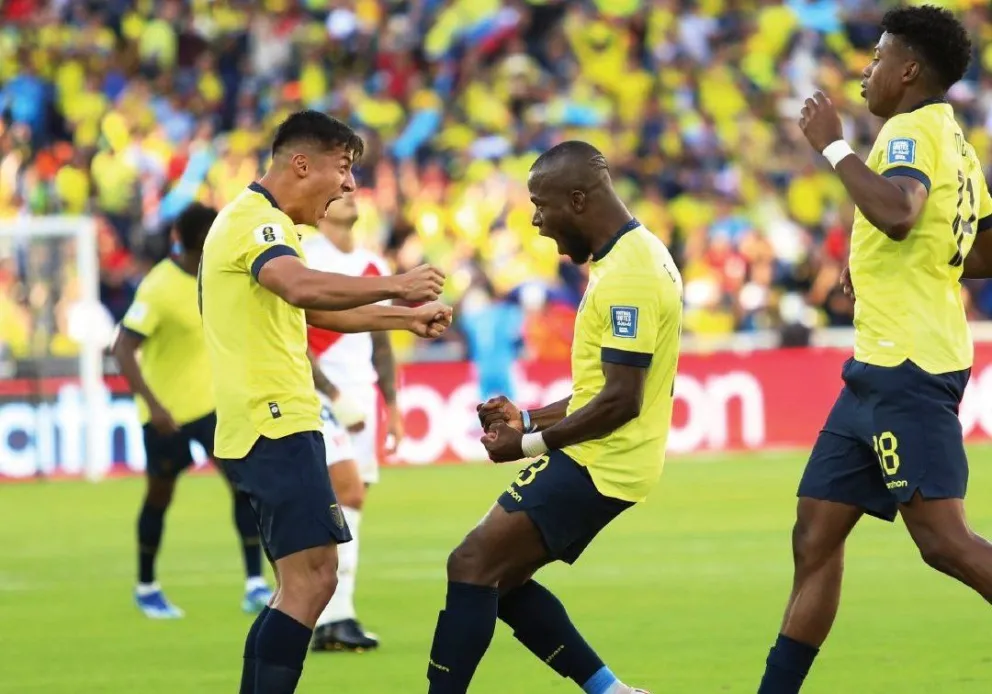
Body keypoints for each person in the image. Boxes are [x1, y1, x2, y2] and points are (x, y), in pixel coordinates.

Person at [756, 7, 992, 693]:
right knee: (814, 537)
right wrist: (891, 264)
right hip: (876, 372)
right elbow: (979, 249)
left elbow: (897, 211)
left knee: (945, 543)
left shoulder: (910, 132)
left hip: (908, 368)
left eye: (879, 55)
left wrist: (832, 146)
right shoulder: (954, 139)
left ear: (910, 69)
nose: (867, 68)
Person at [199, 110, 452, 694]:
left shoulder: (263, 225)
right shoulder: (255, 222)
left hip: (273, 421)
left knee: (301, 584)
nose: (349, 185)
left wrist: (404, 317)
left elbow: (314, 309)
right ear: (301, 163)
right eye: (342, 168)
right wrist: (397, 284)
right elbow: (301, 287)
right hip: (275, 421)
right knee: (313, 582)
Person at [424, 140, 682, 694]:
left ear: (580, 199)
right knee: (503, 579)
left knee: (470, 564)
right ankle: (610, 691)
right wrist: (528, 418)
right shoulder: (629, 257)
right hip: (608, 455)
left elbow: (620, 401)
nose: (536, 221)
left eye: (542, 205)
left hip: (603, 460)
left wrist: (526, 446)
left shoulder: (629, 276)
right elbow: (599, 389)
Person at [114, 202, 273, 619]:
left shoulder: (218, 277)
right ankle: (147, 586)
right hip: (168, 415)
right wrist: (153, 405)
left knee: (244, 486)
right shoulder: (158, 287)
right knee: (160, 495)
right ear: (200, 239)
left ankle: (255, 583)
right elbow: (123, 347)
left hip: (214, 408)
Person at [302, 192, 402, 652]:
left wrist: (393, 405)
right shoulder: (306, 255)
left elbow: (381, 343)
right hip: (317, 393)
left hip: (362, 398)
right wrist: (333, 394)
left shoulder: (371, 264)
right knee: (348, 493)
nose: (350, 193)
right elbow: (293, 334)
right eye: (340, 189)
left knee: (349, 509)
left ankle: (334, 616)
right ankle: (330, 614)